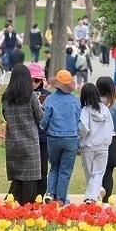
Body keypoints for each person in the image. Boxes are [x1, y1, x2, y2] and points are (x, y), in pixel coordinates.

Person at [1, 63, 45, 204]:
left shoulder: (6, 97)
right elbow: (41, 118)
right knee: (30, 180)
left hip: (13, 143)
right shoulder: (31, 96)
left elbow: (5, 116)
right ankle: (26, 209)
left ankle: (12, 205)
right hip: (30, 143)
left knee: (17, 178)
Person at [40, 69, 81, 203]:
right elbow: (78, 120)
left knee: (54, 167)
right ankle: (60, 198)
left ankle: (50, 193)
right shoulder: (75, 101)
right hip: (71, 138)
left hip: (53, 138)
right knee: (65, 171)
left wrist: (43, 127)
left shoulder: (50, 100)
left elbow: (45, 120)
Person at [77, 82, 113, 203]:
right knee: (98, 173)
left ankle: (90, 197)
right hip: (103, 146)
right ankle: (97, 191)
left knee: (89, 174)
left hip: (87, 146)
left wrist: (78, 138)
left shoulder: (85, 110)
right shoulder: (105, 109)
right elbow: (111, 127)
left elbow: (83, 127)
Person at [96, 77, 116, 202]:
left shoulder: (91, 106)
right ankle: (106, 199)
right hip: (111, 140)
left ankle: (94, 195)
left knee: (95, 172)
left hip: (95, 142)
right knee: (108, 173)